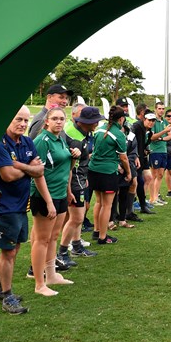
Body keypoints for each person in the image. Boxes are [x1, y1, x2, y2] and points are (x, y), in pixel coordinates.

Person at [0, 106, 44, 314]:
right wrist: (27, 167)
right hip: (4, 208)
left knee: (15, 249)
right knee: (8, 251)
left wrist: (19, 165)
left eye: (25, 121)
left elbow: (40, 170)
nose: (22, 124)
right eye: (18, 120)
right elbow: (7, 175)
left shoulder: (28, 141)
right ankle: (7, 295)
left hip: (21, 206)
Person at [30, 108, 74, 296]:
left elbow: (63, 168)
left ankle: (52, 275)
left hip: (60, 194)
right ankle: (39, 283)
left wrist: (68, 192)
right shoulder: (42, 141)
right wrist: (48, 202)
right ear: (46, 121)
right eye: (54, 118)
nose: (58, 122)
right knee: (42, 239)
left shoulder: (61, 140)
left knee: (54, 237)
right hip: (44, 196)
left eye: (61, 119)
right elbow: (37, 174)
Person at [62, 105, 104, 259]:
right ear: (86, 122)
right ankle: (63, 251)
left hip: (80, 180)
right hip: (75, 181)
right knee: (76, 218)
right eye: (95, 121)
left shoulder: (82, 133)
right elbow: (71, 166)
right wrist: (74, 185)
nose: (97, 124)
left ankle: (76, 246)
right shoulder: (76, 139)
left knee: (77, 217)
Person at [88, 106, 131, 245]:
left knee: (99, 202)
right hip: (107, 172)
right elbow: (124, 158)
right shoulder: (118, 134)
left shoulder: (99, 129)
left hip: (93, 169)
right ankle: (103, 236)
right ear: (121, 119)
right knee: (107, 205)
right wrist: (129, 172)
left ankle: (96, 230)